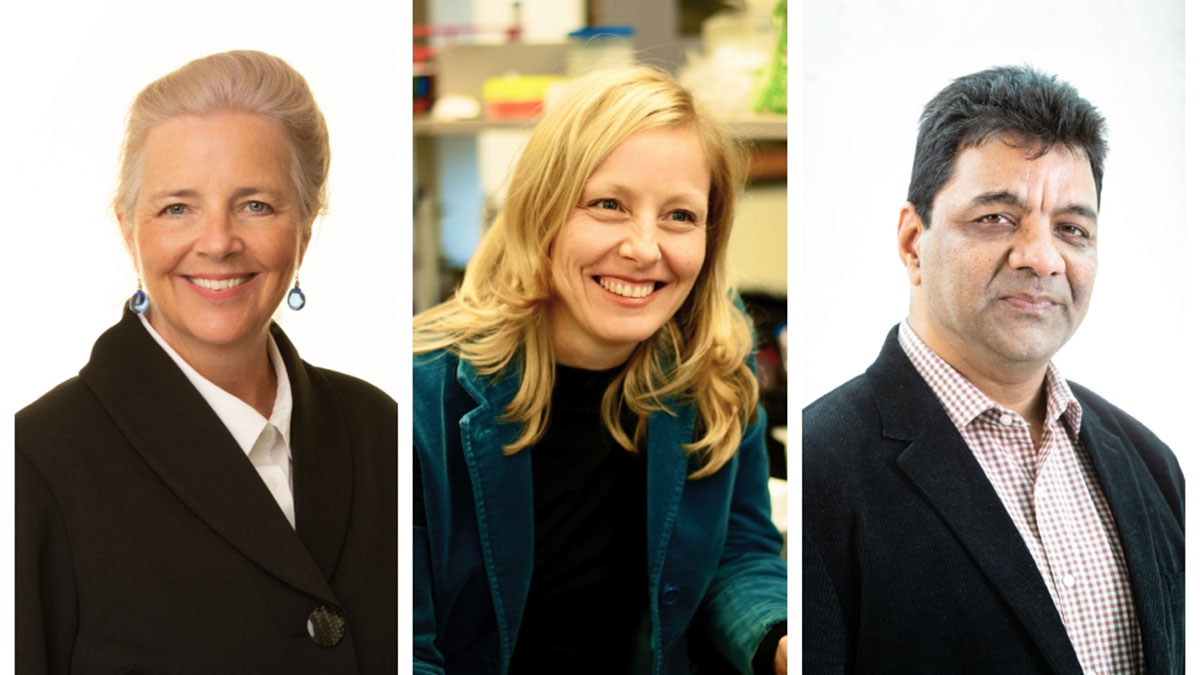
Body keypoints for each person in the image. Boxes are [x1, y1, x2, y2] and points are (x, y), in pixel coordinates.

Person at [15, 50, 397, 674]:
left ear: (305, 225)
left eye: (256, 205)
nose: (217, 242)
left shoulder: (379, 428)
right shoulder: (34, 465)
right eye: (176, 208)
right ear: (127, 229)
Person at [802, 66, 1183, 674]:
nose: (1041, 257)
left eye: (1071, 229)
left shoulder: (1153, 466)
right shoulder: (817, 468)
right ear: (912, 241)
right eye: (996, 219)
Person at [413, 66, 788, 675]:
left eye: (680, 216)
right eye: (608, 205)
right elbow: (408, 645)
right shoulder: (423, 394)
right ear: (543, 214)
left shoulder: (716, 354)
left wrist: (780, 638)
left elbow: (738, 552)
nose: (645, 249)